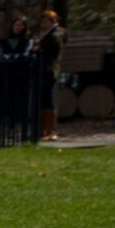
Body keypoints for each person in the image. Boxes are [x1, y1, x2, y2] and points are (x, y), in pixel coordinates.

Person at [32, 8, 64, 139]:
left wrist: (38, 48)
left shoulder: (55, 35)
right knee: (43, 100)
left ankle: (51, 130)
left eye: (46, 21)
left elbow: (49, 52)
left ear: (53, 21)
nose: (43, 24)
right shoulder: (46, 34)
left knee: (48, 99)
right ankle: (42, 129)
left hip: (49, 70)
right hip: (42, 70)